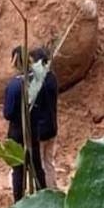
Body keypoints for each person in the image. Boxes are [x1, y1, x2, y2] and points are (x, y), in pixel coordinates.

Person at [3, 46, 49, 200]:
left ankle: (19, 201)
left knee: (18, 168)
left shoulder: (14, 85)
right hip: (34, 129)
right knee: (37, 166)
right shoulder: (37, 81)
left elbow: (8, 113)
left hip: (17, 131)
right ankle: (43, 196)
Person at [29, 47, 59, 189]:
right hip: (52, 127)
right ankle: (52, 188)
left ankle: (42, 191)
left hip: (40, 130)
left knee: (39, 163)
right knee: (49, 162)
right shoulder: (52, 77)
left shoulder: (37, 83)